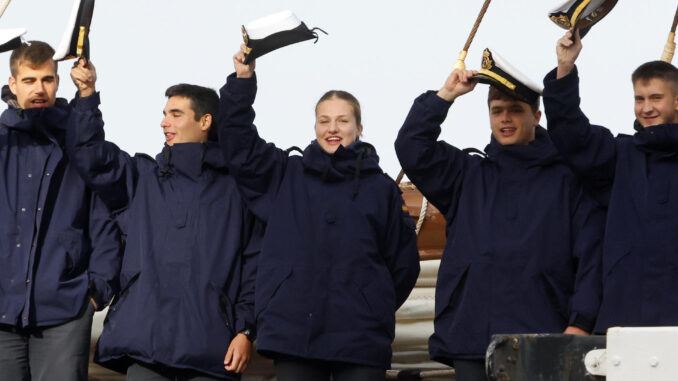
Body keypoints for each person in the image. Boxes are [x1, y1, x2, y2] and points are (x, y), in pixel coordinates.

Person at [395, 49, 605, 381]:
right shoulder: (466, 176)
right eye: (497, 111)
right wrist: (446, 95)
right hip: (473, 335)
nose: (505, 119)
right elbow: (412, 146)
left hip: (541, 335)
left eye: (515, 111)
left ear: (536, 117)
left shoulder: (568, 181)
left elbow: (591, 258)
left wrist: (580, 322)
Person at [218, 45, 420, 381]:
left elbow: (403, 263)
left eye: (343, 120)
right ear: (314, 126)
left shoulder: (381, 188)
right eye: (324, 120)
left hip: (361, 337)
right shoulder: (285, 175)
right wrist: (242, 80)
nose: (333, 128)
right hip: (294, 332)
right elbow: (239, 145)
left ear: (359, 127)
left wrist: (372, 301)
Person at [66, 59, 260, 380]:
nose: (164, 122)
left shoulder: (237, 191)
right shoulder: (140, 178)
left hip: (211, 348)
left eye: (175, 114)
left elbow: (253, 267)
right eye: (164, 113)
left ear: (205, 121)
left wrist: (245, 331)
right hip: (145, 343)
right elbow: (90, 154)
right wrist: (87, 93)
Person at [0, 41, 121, 381]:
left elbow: (104, 219)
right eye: (29, 80)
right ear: (13, 84)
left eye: (48, 79)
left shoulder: (80, 143)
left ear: (57, 81)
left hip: (65, 310)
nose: (39, 88)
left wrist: (96, 293)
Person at [543, 29, 678, 332]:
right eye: (639, 99)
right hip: (624, 322)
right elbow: (571, 135)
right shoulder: (620, 157)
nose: (646, 107)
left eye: (656, 97)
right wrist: (565, 68)